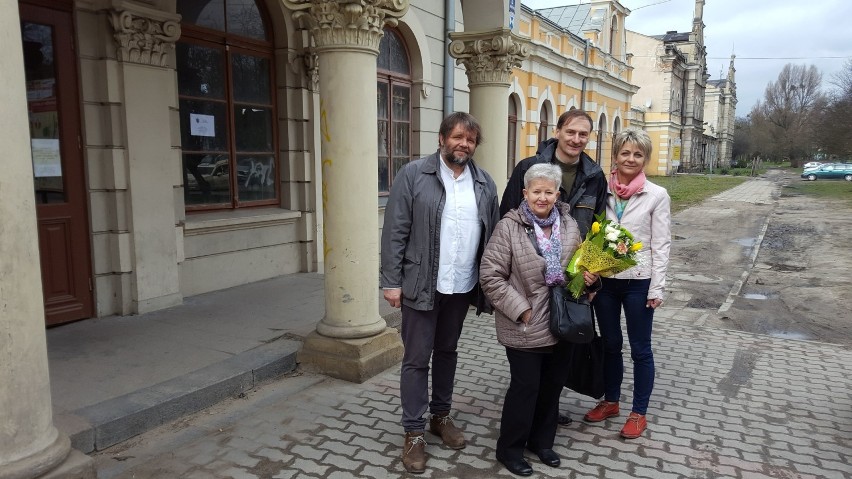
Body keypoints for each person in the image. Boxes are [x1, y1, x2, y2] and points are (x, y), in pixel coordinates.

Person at [380, 112, 500, 474]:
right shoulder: (414, 175)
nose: (464, 144)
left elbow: (492, 233)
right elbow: (395, 230)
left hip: (461, 285)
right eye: (458, 137)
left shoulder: (484, 183)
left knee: (447, 352)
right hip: (420, 283)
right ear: (442, 138)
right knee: (417, 359)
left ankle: (441, 416)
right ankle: (413, 432)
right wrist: (391, 281)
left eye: (471, 139)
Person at [480, 163, 599, 477]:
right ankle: (510, 449)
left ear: (557, 194)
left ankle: (542, 442)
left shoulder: (570, 225)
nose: (543, 198)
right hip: (526, 324)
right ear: (525, 193)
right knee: (525, 388)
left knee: (552, 386)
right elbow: (491, 276)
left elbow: (578, 268)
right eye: (537, 191)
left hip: (563, 323)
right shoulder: (509, 227)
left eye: (549, 192)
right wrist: (522, 310)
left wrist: (589, 278)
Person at [500, 108, 608, 426]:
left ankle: (547, 409)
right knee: (529, 352)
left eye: (583, 134)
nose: (576, 139)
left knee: (562, 344)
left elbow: (597, 229)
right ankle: (527, 412)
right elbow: (506, 218)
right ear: (558, 131)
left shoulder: (595, 176)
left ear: (589, 137)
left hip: (569, 275)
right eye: (571, 132)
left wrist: (591, 277)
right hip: (528, 274)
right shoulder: (530, 168)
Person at [582, 128, 671, 439]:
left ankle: (639, 412)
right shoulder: (600, 190)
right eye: (625, 153)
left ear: (644, 159)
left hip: (638, 283)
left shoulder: (656, 195)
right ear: (615, 156)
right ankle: (611, 401)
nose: (631, 159)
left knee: (640, 349)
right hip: (605, 283)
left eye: (637, 154)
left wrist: (657, 287)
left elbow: (661, 243)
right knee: (609, 345)